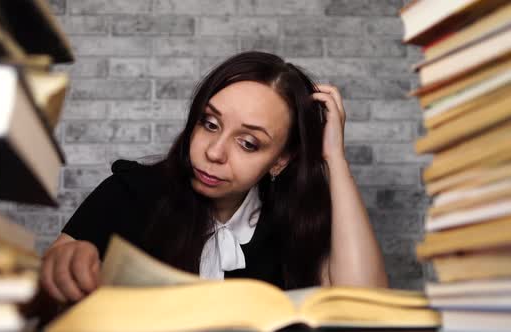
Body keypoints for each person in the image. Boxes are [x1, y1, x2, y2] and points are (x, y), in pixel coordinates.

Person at [40, 51, 388, 305]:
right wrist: (66, 266)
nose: (215, 152)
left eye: (248, 143)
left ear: (280, 160)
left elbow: (366, 310)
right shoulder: (130, 191)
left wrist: (334, 158)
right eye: (210, 123)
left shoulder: (295, 221)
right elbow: (45, 290)